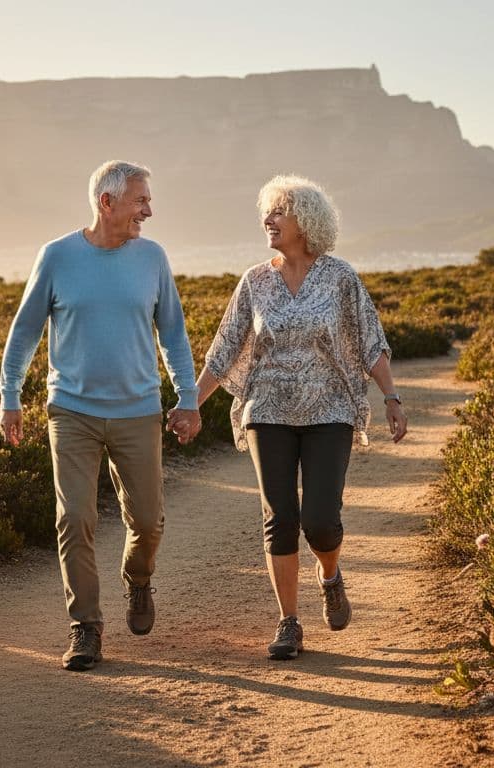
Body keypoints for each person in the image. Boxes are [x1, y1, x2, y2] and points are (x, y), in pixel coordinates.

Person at [192, 175, 407, 660]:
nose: (268, 221)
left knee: (321, 522)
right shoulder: (255, 280)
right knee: (280, 518)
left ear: (305, 222)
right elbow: (224, 349)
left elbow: (370, 341)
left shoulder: (340, 278)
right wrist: (192, 404)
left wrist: (391, 397)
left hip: (329, 408)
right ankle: (288, 622)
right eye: (266, 213)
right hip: (266, 409)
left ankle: (330, 573)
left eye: (278, 213)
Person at [0, 160, 202, 672]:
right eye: (140, 201)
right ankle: (85, 627)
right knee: (74, 518)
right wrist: (10, 397)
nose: (149, 211)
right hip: (71, 411)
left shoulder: (152, 258)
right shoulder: (57, 257)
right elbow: (24, 334)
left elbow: (173, 334)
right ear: (106, 202)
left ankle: (137, 578)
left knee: (148, 521)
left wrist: (188, 397)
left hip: (138, 411)